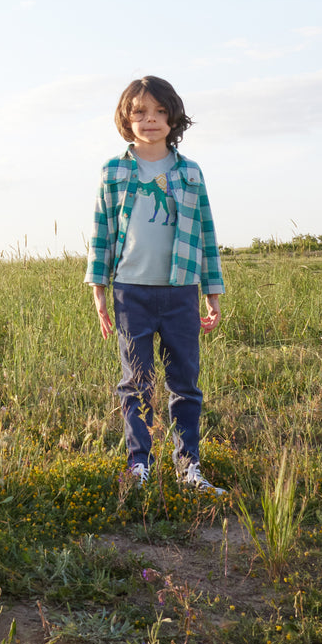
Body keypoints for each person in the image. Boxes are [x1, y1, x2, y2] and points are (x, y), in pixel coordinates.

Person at [85, 76, 225, 494]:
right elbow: (101, 232)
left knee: (185, 381)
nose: (151, 120)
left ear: (172, 117)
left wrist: (212, 294)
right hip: (131, 291)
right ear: (127, 119)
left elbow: (205, 234)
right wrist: (99, 290)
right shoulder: (114, 171)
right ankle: (138, 466)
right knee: (136, 381)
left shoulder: (190, 173)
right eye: (140, 112)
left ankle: (189, 467)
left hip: (181, 291)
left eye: (160, 112)